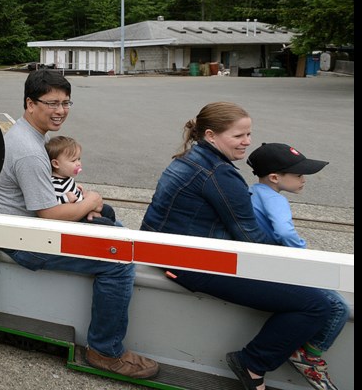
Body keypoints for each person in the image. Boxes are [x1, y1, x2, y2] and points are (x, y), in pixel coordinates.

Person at [140, 102, 335, 390]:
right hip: (192, 263)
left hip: (167, 251)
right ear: (211, 135)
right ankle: (253, 363)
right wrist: (293, 262)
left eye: (249, 134)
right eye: (239, 135)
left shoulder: (189, 158)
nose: (247, 142)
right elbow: (250, 236)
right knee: (317, 305)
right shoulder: (219, 173)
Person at [0, 70, 159, 379]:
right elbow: (49, 215)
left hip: (26, 229)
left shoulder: (30, 136)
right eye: (52, 103)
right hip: (28, 242)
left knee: (112, 225)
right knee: (118, 259)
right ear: (30, 103)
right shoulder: (28, 151)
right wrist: (88, 202)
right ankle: (104, 350)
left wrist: (88, 206)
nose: (60, 111)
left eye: (66, 103)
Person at [246, 142, 348, 390]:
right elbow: (283, 230)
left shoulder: (252, 192)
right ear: (274, 177)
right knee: (338, 308)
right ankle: (308, 356)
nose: (304, 180)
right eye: (299, 175)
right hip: (279, 265)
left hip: (258, 261)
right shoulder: (276, 200)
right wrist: (302, 252)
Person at [44, 135, 116, 225]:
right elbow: (53, 203)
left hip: (81, 208)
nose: (78, 163)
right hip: (74, 218)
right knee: (106, 223)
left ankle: (115, 227)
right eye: (73, 160)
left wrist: (77, 189)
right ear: (56, 164)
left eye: (79, 159)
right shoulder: (56, 183)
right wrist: (65, 198)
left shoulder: (66, 177)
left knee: (108, 209)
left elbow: (70, 189)